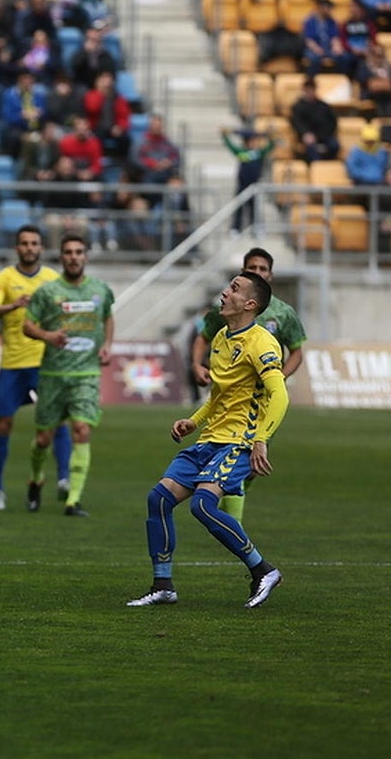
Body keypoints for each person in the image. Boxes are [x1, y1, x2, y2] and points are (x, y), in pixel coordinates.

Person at [127, 271, 287, 609]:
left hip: (239, 442)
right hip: (210, 440)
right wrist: (194, 420)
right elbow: (218, 396)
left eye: (234, 289)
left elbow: (280, 395)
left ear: (250, 304)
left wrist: (261, 439)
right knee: (158, 499)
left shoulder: (262, 343)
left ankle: (263, 570)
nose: (225, 292)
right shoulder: (221, 338)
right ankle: (163, 585)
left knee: (202, 505)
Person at [190, 247, 306, 522]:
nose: (257, 272)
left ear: (271, 275)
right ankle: (232, 528)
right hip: (228, 401)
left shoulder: (283, 313)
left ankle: (228, 517)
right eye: (252, 268)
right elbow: (203, 337)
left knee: (249, 468)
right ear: (244, 270)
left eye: (262, 269)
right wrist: (196, 364)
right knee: (236, 464)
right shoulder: (227, 306)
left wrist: (277, 378)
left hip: (261, 403)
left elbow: (297, 352)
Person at [22, 233, 114, 517]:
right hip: (53, 374)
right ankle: (36, 478)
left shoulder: (100, 290)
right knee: (43, 439)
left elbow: (108, 316)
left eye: (78, 252)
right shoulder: (47, 292)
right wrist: (47, 335)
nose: (74, 257)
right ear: (61, 257)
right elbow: (27, 325)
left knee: (82, 430)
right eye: (69, 252)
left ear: (85, 256)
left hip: (86, 373)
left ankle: (73, 500)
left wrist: (107, 345)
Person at [0, 225, 72, 512]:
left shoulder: (52, 279)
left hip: (46, 363)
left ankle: (65, 479)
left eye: (34, 243)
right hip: (13, 364)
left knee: (57, 421)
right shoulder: (5, 278)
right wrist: (14, 305)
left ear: (41, 248)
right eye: (24, 243)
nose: (29, 248)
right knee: (3, 424)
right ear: (17, 247)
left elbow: (67, 312)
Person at [220, 126, 275, 235]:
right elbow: (230, 146)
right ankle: (236, 228)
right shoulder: (241, 152)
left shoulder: (259, 153)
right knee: (239, 207)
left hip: (254, 185)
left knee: (255, 208)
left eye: (255, 141)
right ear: (246, 143)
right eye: (251, 141)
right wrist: (225, 136)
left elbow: (270, 146)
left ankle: (257, 227)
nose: (254, 143)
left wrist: (270, 136)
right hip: (242, 184)